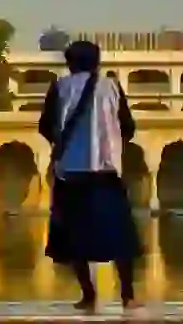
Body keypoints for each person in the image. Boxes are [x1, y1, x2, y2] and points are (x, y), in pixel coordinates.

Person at [39, 40, 141, 312]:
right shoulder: (111, 87)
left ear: (69, 63)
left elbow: (45, 126)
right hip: (106, 172)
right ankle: (128, 296)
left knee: (74, 239)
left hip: (71, 174)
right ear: (97, 62)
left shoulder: (59, 88)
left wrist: (66, 145)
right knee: (121, 237)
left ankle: (88, 294)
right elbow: (128, 127)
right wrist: (111, 145)